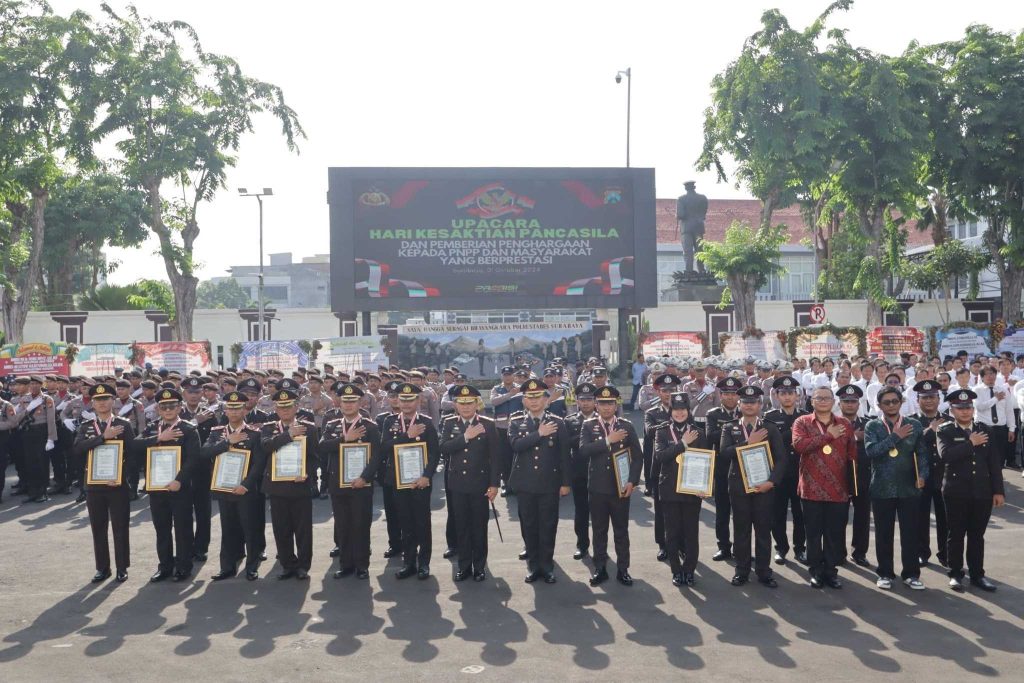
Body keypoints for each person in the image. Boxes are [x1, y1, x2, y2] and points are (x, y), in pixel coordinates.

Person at [719, 385, 788, 588]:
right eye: (745, 402)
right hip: (739, 486)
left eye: (753, 402)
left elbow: (782, 459)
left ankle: (764, 571)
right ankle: (741, 570)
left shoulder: (770, 427)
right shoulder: (729, 427)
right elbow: (724, 453)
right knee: (741, 529)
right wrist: (749, 442)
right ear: (739, 404)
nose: (749, 406)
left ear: (760, 404)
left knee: (763, 529)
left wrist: (772, 482)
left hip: (763, 486)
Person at [936, 389, 1005, 592]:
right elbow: (945, 455)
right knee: (956, 534)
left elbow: (994, 463)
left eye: (968, 408)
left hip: (981, 491)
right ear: (952, 409)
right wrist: (970, 443)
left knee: (977, 535)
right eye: (960, 408)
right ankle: (955, 574)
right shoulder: (945, 430)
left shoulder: (985, 429)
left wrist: (998, 491)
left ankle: (977, 575)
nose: (965, 412)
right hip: (956, 491)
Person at [791, 387, 857, 589]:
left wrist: (852, 486)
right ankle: (816, 572)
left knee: (833, 533)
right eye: (818, 398)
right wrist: (827, 436)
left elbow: (852, 455)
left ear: (833, 401)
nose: (823, 401)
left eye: (827, 398)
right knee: (813, 533)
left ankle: (830, 571)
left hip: (838, 489)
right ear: (812, 401)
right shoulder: (802, 422)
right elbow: (799, 446)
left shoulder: (844, 424)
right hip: (811, 488)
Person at [507, 378, 572, 584]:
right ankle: (533, 565)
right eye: (529, 397)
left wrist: (565, 482)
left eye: (538, 397)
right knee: (529, 524)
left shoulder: (558, 422)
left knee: (548, 524)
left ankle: (547, 565)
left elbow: (564, 455)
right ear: (524, 401)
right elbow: (516, 445)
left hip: (549, 484)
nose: (534, 401)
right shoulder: (516, 421)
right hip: (525, 484)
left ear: (546, 399)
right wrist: (539, 433)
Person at [135, 388, 202, 582]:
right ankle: (164, 566)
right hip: (157, 488)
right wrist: (159, 438)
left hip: (179, 487)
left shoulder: (188, 429)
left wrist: (179, 480)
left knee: (182, 528)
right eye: (163, 407)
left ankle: (183, 566)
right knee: (162, 529)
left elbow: (193, 459)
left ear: (180, 407)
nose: (168, 410)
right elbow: (134, 445)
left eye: (172, 406)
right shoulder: (152, 428)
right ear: (158, 409)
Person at [864, 386, 928, 591]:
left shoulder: (914, 425)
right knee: (884, 533)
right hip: (882, 488)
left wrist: (922, 476)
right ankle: (884, 573)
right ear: (880, 405)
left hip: (909, 487)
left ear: (901, 402)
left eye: (895, 401)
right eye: (886, 402)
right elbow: (872, 451)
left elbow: (922, 454)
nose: (891, 405)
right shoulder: (872, 426)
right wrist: (895, 436)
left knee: (910, 532)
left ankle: (911, 574)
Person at [579, 386, 643, 587]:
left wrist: (633, 481)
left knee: (621, 530)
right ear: (596, 405)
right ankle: (600, 568)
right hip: (597, 488)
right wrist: (608, 440)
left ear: (616, 405)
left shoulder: (626, 426)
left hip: (621, 488)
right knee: (599, 530)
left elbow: (638, 457)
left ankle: (623, 569)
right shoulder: (589, 426)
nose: (606, 408)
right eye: (602, 403)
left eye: (610, 403)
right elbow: (583, 451)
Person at [72, 383, 136, 583]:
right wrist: (102, 437)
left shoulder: (123, 424)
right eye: (98, 400)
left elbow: (133, 455)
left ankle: (122, 567)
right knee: (98, 527)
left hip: (117, 485)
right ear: (92, 403)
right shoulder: (86, 426)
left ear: (113, 401)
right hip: (94, 485)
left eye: (106, 399)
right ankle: (102, 567)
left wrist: (123, 478)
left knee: (120, 526)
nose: (102, 403)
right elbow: (76, 449)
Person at [202, 391, 266, 581]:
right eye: (230, 408)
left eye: (238, 408)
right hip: (224, 487)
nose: (234, 412)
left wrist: (246, 485)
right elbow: (204, 453)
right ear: (225, 410)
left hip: (245, 490)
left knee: (250, 527)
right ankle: (227, 566)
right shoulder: (217, 432)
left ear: (244, 410)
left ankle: (252, 566)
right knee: (228, 528)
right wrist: (227, 442)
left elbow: (259, 464)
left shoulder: (254, 434)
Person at [439, 385, 501, 582]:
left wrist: (494, 484)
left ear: (477, 403)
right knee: (462, 526)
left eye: (470, 403)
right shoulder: (449, 423)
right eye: (461, 403)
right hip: (457, 484)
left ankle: (479, 566)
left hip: (480, 484)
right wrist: (466, 437)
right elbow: (444, 449)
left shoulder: (488, 424)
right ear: (455, 404)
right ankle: (464, 566)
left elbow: (495, 457)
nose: (465, 407)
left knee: (479, 526)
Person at [319, 383, 380, 580]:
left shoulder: (370, 427)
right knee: (343, 526)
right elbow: (322, 447)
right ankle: (346, 564)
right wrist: (344, 438)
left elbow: (377, 456)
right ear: (339, 402)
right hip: (338, 484)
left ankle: (362, 565)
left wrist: (365, 478)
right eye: (345, 401)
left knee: (361, 525)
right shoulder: (332, 425)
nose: (348, 405)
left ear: (360, 402)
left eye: (352, 401)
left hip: (361, 484)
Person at [379, 383, 440, 580]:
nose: (405, 403)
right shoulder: (390, 422)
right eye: (402, 399)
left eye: (409, 400)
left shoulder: (427, 422)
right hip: (398, 479)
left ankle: (424, 563)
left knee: (422, 522)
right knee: (405, 521)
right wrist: (407, 436)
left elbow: (434, 453)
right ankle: (409, 562)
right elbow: (384, 448)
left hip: (420, 480)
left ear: (418, 400)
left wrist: (427, 476)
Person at [259, 387, 319, 580]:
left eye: (289, 406)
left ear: (297, 407)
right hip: (277, 487)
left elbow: (315, 457)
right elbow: (266, 447)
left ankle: (303, 566)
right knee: (281, 528)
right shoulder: (269, 428)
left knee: (303, 529)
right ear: (276, 409)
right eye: (281, 407)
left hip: (300, 485)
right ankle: (287, 564)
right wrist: (289, 435)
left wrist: (307, 473)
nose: (285, 410)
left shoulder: (308, 428)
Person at [653, 392, 709, 586]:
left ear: (688, 411)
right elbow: (660, 457)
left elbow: (706, 462)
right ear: (671, 411)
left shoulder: (699, 433)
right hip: (669, 489)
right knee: (672, 533)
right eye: (675, 410)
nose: (679, 413)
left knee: (691, 533)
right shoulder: (661, 431)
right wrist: (683, 443)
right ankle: (676, 571)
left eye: (682, 409)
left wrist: (705, 487)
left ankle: (689, 570)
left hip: (692, 490)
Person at [763, 375, 807, 566]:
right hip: (778, 473)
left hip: (801, 472)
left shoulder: (805, 416)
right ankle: (781, 548)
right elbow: (769, 444)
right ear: (776, 395)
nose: (787, 397)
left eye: (791, 393)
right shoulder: (769, 417)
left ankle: (800, 548)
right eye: (783, 393)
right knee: (777, 514)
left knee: (801, 514)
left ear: (797, 395)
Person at [912, 379, 952, 568]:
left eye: (932, 397)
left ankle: (946, 553)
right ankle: (921, 552)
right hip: (921, 476)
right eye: (924, 397)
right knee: (920, 517)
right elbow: (911, 445)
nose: (929, 401)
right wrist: (930, 431)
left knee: (946, 518)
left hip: (945, 476)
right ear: (918, 399)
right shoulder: (911, 421)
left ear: (939, 398)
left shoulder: (950, 420)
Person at [705, 376, 741, 561]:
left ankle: (741, 549)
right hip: (721, 468)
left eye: (733, 393)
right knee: (722, 511)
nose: (729, 397)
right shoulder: (713, 414)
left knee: (742, 513)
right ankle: (723, 547)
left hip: (743, 468)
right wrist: (736, 431)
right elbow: (711, 436)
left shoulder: (746, 411)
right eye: (726, 393)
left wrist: (727, 434)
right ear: (720, 394)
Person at [836, 384, 872, 566]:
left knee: (862, 517)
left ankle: (859, 552)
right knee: (839, 517)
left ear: (859, 404)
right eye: (846, 401)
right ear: (840, 403)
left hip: (862, 476)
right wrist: (855, 437)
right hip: (839, 477)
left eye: (853, 401)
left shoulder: (869, 423)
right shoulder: (832, 423)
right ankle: (839, 552)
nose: (849, 404)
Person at [563, 382, 597, 560]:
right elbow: (566, 444)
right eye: (582, 399)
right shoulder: (569, 421)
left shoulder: (604, 419)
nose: (585, 403)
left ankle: (600, 548)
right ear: (576, 400)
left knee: (600, 514)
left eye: (589, 399)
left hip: (601, 473)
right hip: (579, 472)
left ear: (595, 400)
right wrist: (589, 438)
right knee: (581, 511)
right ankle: (582, 545)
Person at [375, 380, 404, 559]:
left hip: (410, 471)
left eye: (399, 396)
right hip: (389, 470)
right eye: (392, 396)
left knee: (408, 511)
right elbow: (379, 448)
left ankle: (410, 545)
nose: (395, 399)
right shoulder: (381, 419)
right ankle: (394, 544)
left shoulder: (416, 418)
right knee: (391, 511)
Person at [490, 366, 523, 497]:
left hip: (518, 427)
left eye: (510, 374)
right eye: (505, 375)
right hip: (501, 427)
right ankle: (506, 484)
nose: (507, 377)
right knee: (504, 457)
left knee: (518, 456)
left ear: (513, 376)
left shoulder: (520, 388)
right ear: (502, 376)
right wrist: (510, 394)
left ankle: (518, 483)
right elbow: (493, 402)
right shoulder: (497, 388)